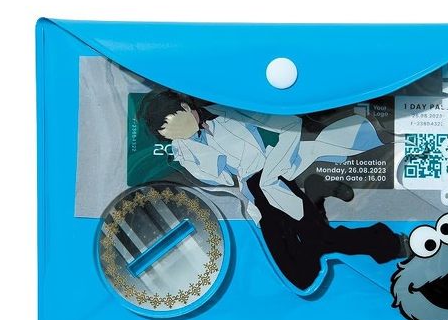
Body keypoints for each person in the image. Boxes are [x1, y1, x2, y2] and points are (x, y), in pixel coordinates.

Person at [138, 89, 409, 291]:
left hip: (273, 176)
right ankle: (327, 200)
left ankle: (387, 243)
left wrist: (273, 167)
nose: (175, 135)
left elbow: (290, 125)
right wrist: (193, 144)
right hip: (254, 193)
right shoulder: (184, 150)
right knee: (302, 275)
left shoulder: (228, 112)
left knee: (316, 244)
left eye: (174, 124)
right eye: (168, 134)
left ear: (187, 107)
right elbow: (217, 177)